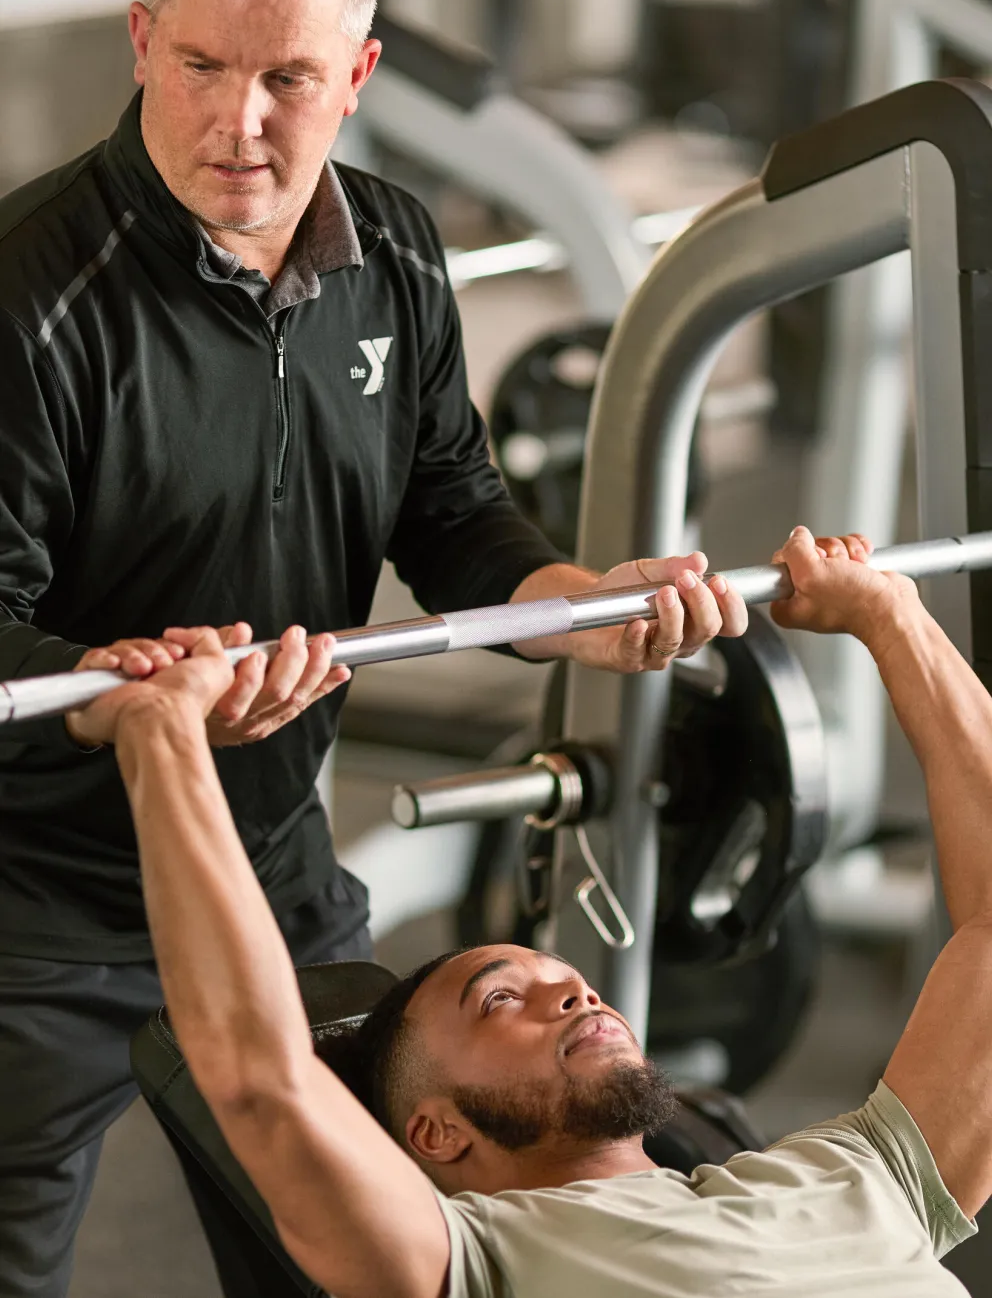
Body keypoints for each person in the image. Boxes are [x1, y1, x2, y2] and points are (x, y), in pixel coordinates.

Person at [0, 0, 748, 1294]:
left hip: (277, 876)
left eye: (290, 76)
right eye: (203, 66)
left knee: (376, 1252)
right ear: (139, 42)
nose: (242, 123)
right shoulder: (26, 298)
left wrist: (569, 607)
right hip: (36, 911)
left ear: (359, 76)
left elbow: (453, 509)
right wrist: (124, 692)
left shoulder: (396, 253)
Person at [75, 522, 990, 1297]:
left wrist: (891, 615)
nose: (578, 995)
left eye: (569, 980)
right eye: (499, 999)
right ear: (437, 1133)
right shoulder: (472, 1260)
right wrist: (162, 737)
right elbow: (257, 1075)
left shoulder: (863, 1173)